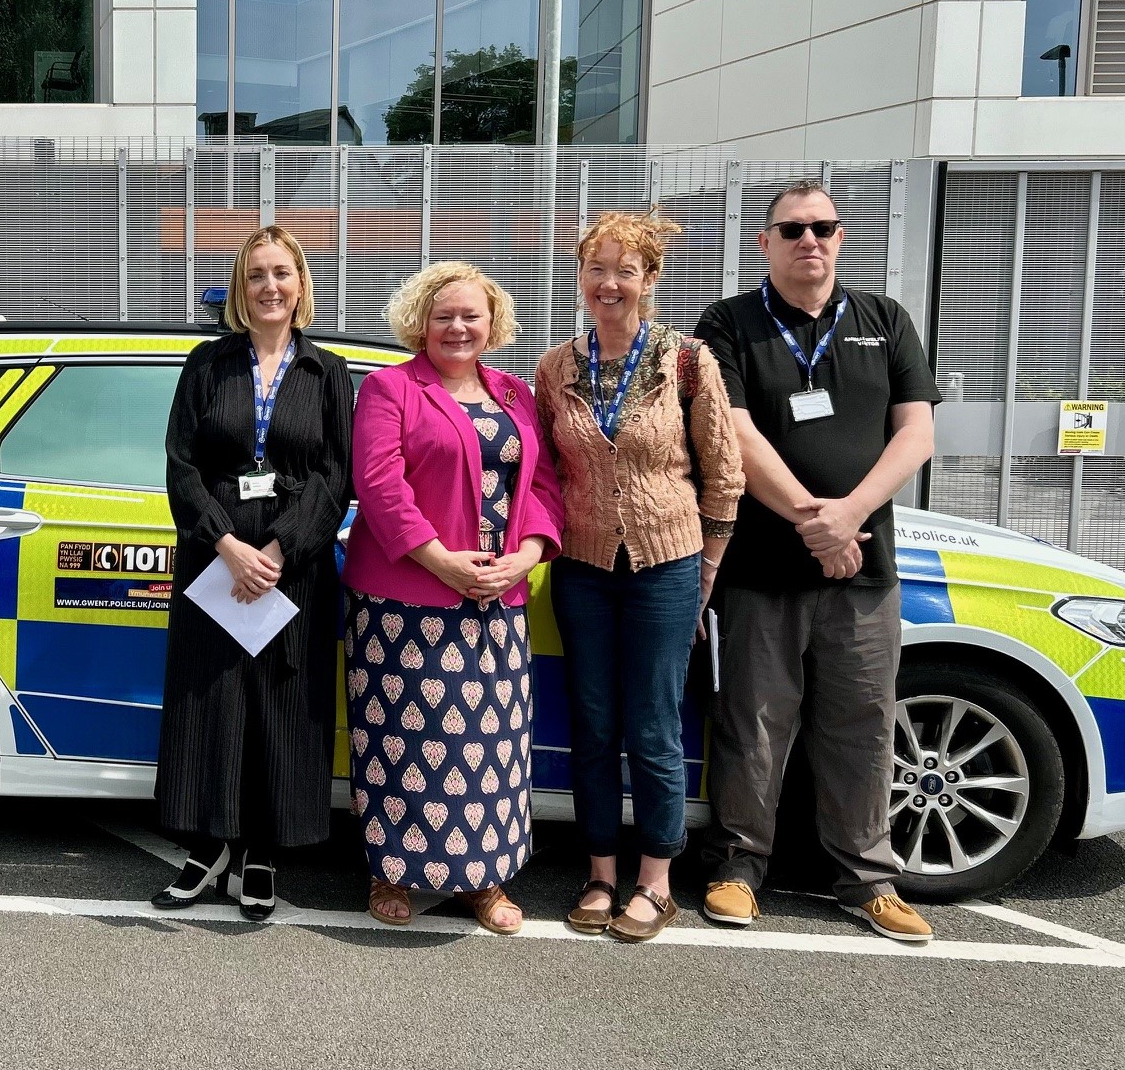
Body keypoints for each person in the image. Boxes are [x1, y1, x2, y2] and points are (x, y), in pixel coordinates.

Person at [695, 179, 941, 944]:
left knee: (862, 724)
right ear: (763, 242)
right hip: (762, 566)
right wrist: (812, 518)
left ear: (840, 238)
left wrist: (847, 516)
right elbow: (731, 434)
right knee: (753, 721)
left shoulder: (885, 320)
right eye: (792, 228)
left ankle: (866, 880)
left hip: (863, 566)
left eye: (823, 227)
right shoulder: (727, 323)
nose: (810, 240)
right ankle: (737, 869)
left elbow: (916, 435)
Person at [535, 211, 744, 943]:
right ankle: (598, 872)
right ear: (580, 277)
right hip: (584, 566)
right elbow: (542, 470)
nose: (609, 283)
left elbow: (723, 475)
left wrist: (706, 569)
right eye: (596, 268)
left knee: (652, 725)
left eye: (625, 270)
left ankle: (654, 881)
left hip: (667, 565)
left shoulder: (687, 361)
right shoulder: (555, 366)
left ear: (649, 280)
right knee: (592, 723)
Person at [343, 262, 563, 932]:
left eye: (471, 315)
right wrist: (441, 562)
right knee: (402, 745)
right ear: (420, 323)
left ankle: (484, 882)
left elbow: (545, 489)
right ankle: (390, 874)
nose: (458, 327)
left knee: (492, 748)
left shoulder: (515, 395)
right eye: (444, 316)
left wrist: (523, 557)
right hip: (405, 601)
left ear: (492, 324)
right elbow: (379, 487)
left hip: (497, 598)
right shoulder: (389, 389)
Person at [152, 225, 353, 921]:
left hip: (289, 568)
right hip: (215, 561)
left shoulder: (326, 373)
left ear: (301, 285)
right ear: (241, 289)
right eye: (256, 275)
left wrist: (280, 550)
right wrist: (225, 544)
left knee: (280, 706)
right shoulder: (206, 364)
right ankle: (207, 845)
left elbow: (336, 475)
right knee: (210, 702)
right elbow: (180, 465)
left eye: (281, 273)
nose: (269, 286)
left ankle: (261, 849)